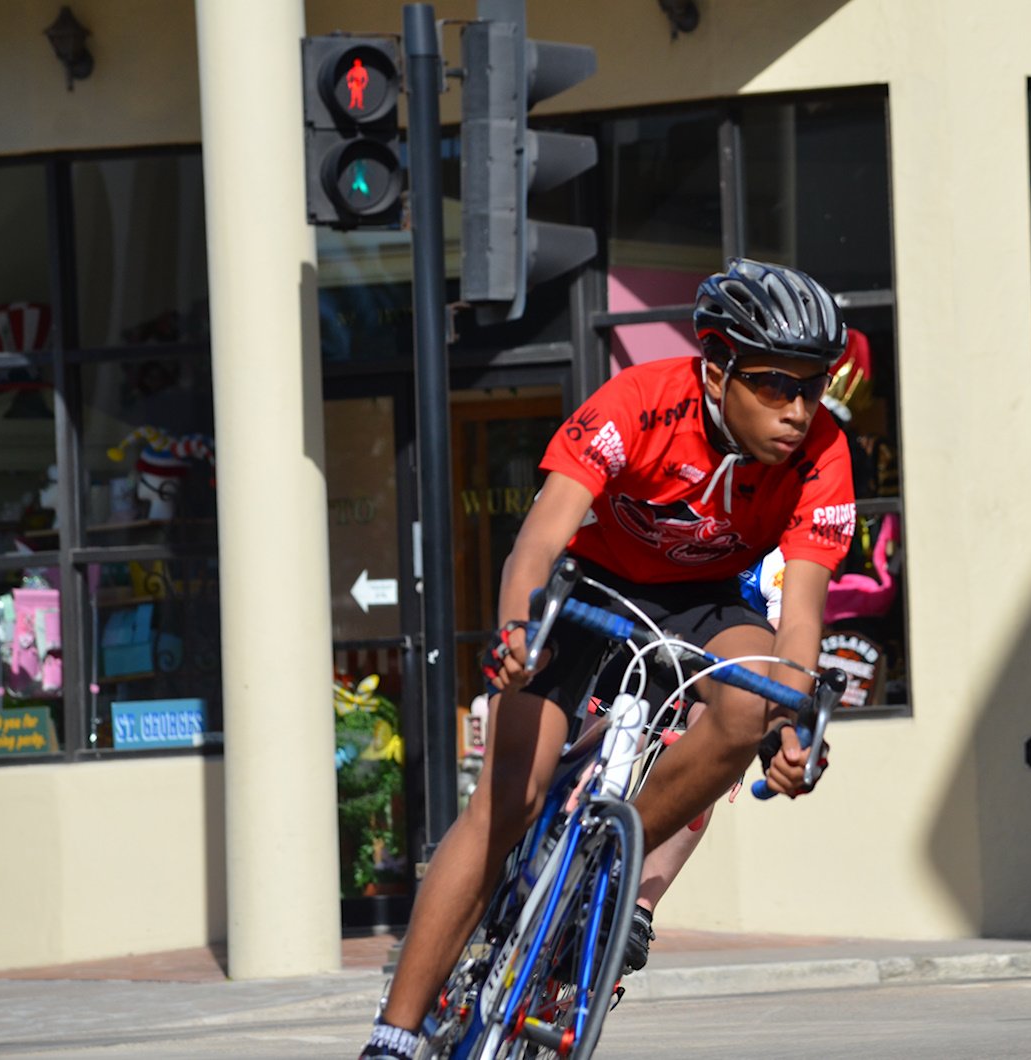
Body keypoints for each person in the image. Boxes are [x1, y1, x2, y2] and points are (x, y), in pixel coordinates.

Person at [361, 259, 857, 1060]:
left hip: (703, 601)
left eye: (812, 385)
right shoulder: (637, 402)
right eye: (772, 383)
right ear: (715, 366)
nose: (797, 408)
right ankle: (396, 1034)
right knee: (507, 802)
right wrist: (518, 632)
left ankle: (605, 878)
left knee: (755, 698)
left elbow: (798, 614)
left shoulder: (823, 451)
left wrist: (794, 719)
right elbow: (540, 535)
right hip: (588, 585)